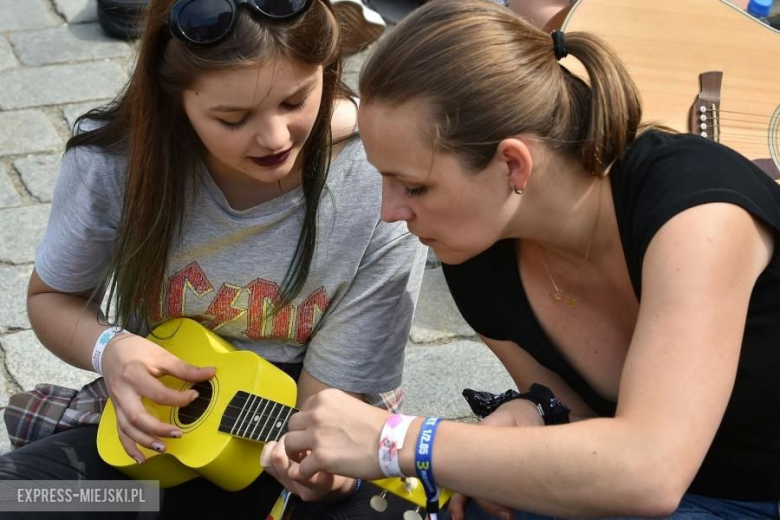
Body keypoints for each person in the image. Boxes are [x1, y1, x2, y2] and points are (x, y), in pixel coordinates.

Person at [282, 1, 780, 519]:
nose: (389, 213)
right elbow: (584, 431)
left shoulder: (694, 206)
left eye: (414, 186)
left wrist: (402, 439)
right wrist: (534, 414)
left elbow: (647, 471)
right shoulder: (477, 256)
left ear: (513, 163)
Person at [0, 0, 426, 518]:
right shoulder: (114, 162)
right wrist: (110, 349)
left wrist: (320, 469)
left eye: (296, 101)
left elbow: (327, 407)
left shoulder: (380, 181)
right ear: (172, 99)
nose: (273, 137)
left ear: (329, 67)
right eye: (233, 118)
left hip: (305, 425)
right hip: (157, 436)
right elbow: (51, 298)